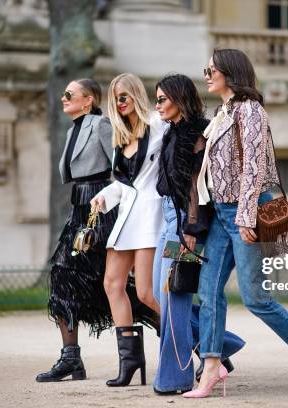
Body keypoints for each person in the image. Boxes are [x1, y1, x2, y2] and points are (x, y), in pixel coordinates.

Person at [183, 49, 288, 399]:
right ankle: (210, 370)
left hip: (242, 213)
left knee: (255, 297)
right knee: (208, 293)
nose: (206, 74)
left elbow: (253, 167)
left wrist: (245, 216)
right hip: (220, 215)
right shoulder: (221, 113)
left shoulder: (250, 110)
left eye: (211, 69)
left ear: (230, 73)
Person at [36, 78, 158, 383]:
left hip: (103, 213)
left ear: (88, 99)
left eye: (70, 94)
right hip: (81, 209)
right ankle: (71, 358)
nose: (63, 99)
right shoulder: (71, 130)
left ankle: (192, 342)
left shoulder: (102, 125)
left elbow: (120, 171)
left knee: (126, 288)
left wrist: (112, 208)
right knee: (65, 277)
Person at [151, 74, 245, 395]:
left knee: (174, 298)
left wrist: (191, 230)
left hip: (183, 224)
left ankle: (174, 378)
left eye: (162, 99)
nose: (158, 105)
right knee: (158, 296)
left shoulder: (197, 133)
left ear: (179, 99)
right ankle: (219, 345)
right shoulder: (171, 132)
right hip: (167, 221)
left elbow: (195, 185)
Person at [90, 73, 166, 387]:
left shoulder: (158, 124)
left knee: (148, 293)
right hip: (126, 219)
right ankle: (131, 360)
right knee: (112, 283)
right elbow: (123, 185)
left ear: (136, 93)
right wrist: (103, 197)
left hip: (150, 217)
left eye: (124, 96)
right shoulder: (122, 137)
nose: (120, 103)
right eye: (115, 99)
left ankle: (204, 344)